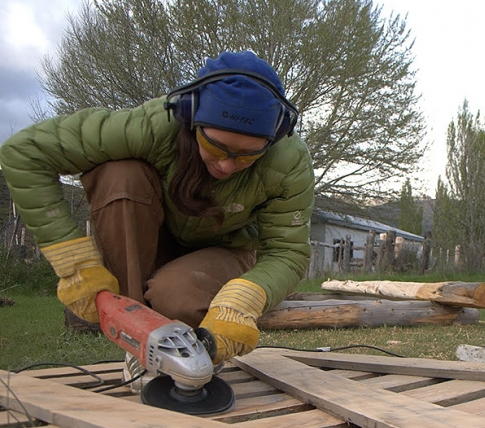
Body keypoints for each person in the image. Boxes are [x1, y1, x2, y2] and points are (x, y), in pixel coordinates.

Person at [0, 51, 315, 383]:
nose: (226, 165)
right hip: (152, 234)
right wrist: (74, 264)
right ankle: (139, 340)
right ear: (191, 118)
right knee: (119, 172)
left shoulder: (288, 163)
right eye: (217, 147)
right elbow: (24, 153)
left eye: (246, 155)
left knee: (176, 294)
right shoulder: (151, 126)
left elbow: (288, 251)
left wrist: (245, 299)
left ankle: (192, 346)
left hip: (226, 250)